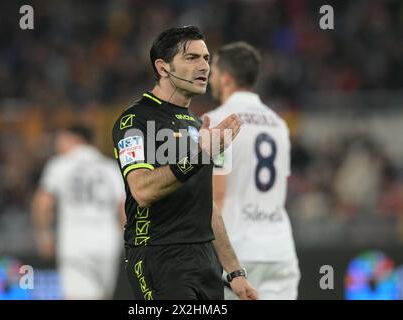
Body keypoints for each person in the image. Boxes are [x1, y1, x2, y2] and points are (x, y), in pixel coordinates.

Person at [112, 26, 258, 300]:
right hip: (158, 254)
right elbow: (142, 191)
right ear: (163, 67)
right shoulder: (135, 120)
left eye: (205, 58)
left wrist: (235, 272)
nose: (204, 66)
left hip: (205, 262)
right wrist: (201, 154)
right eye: (192, 58)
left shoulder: (198, 125)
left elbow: (208, 206)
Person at [206, 42, 300, 300]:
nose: (209, 77)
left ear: (226, 78)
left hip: (239, 250)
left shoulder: (218, 121)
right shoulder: (278, 124)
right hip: (280, 250)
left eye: (212, 71)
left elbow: (217, 194)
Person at [32, 124, 125, 300]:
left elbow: (42, 203)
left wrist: (45, 235)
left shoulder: (60, 164)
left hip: (75, 241)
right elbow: (124, 208)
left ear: (76, 139)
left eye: (62, 139)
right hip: (107, 242)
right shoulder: (110, 167)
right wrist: (122, 237)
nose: (58, 144)